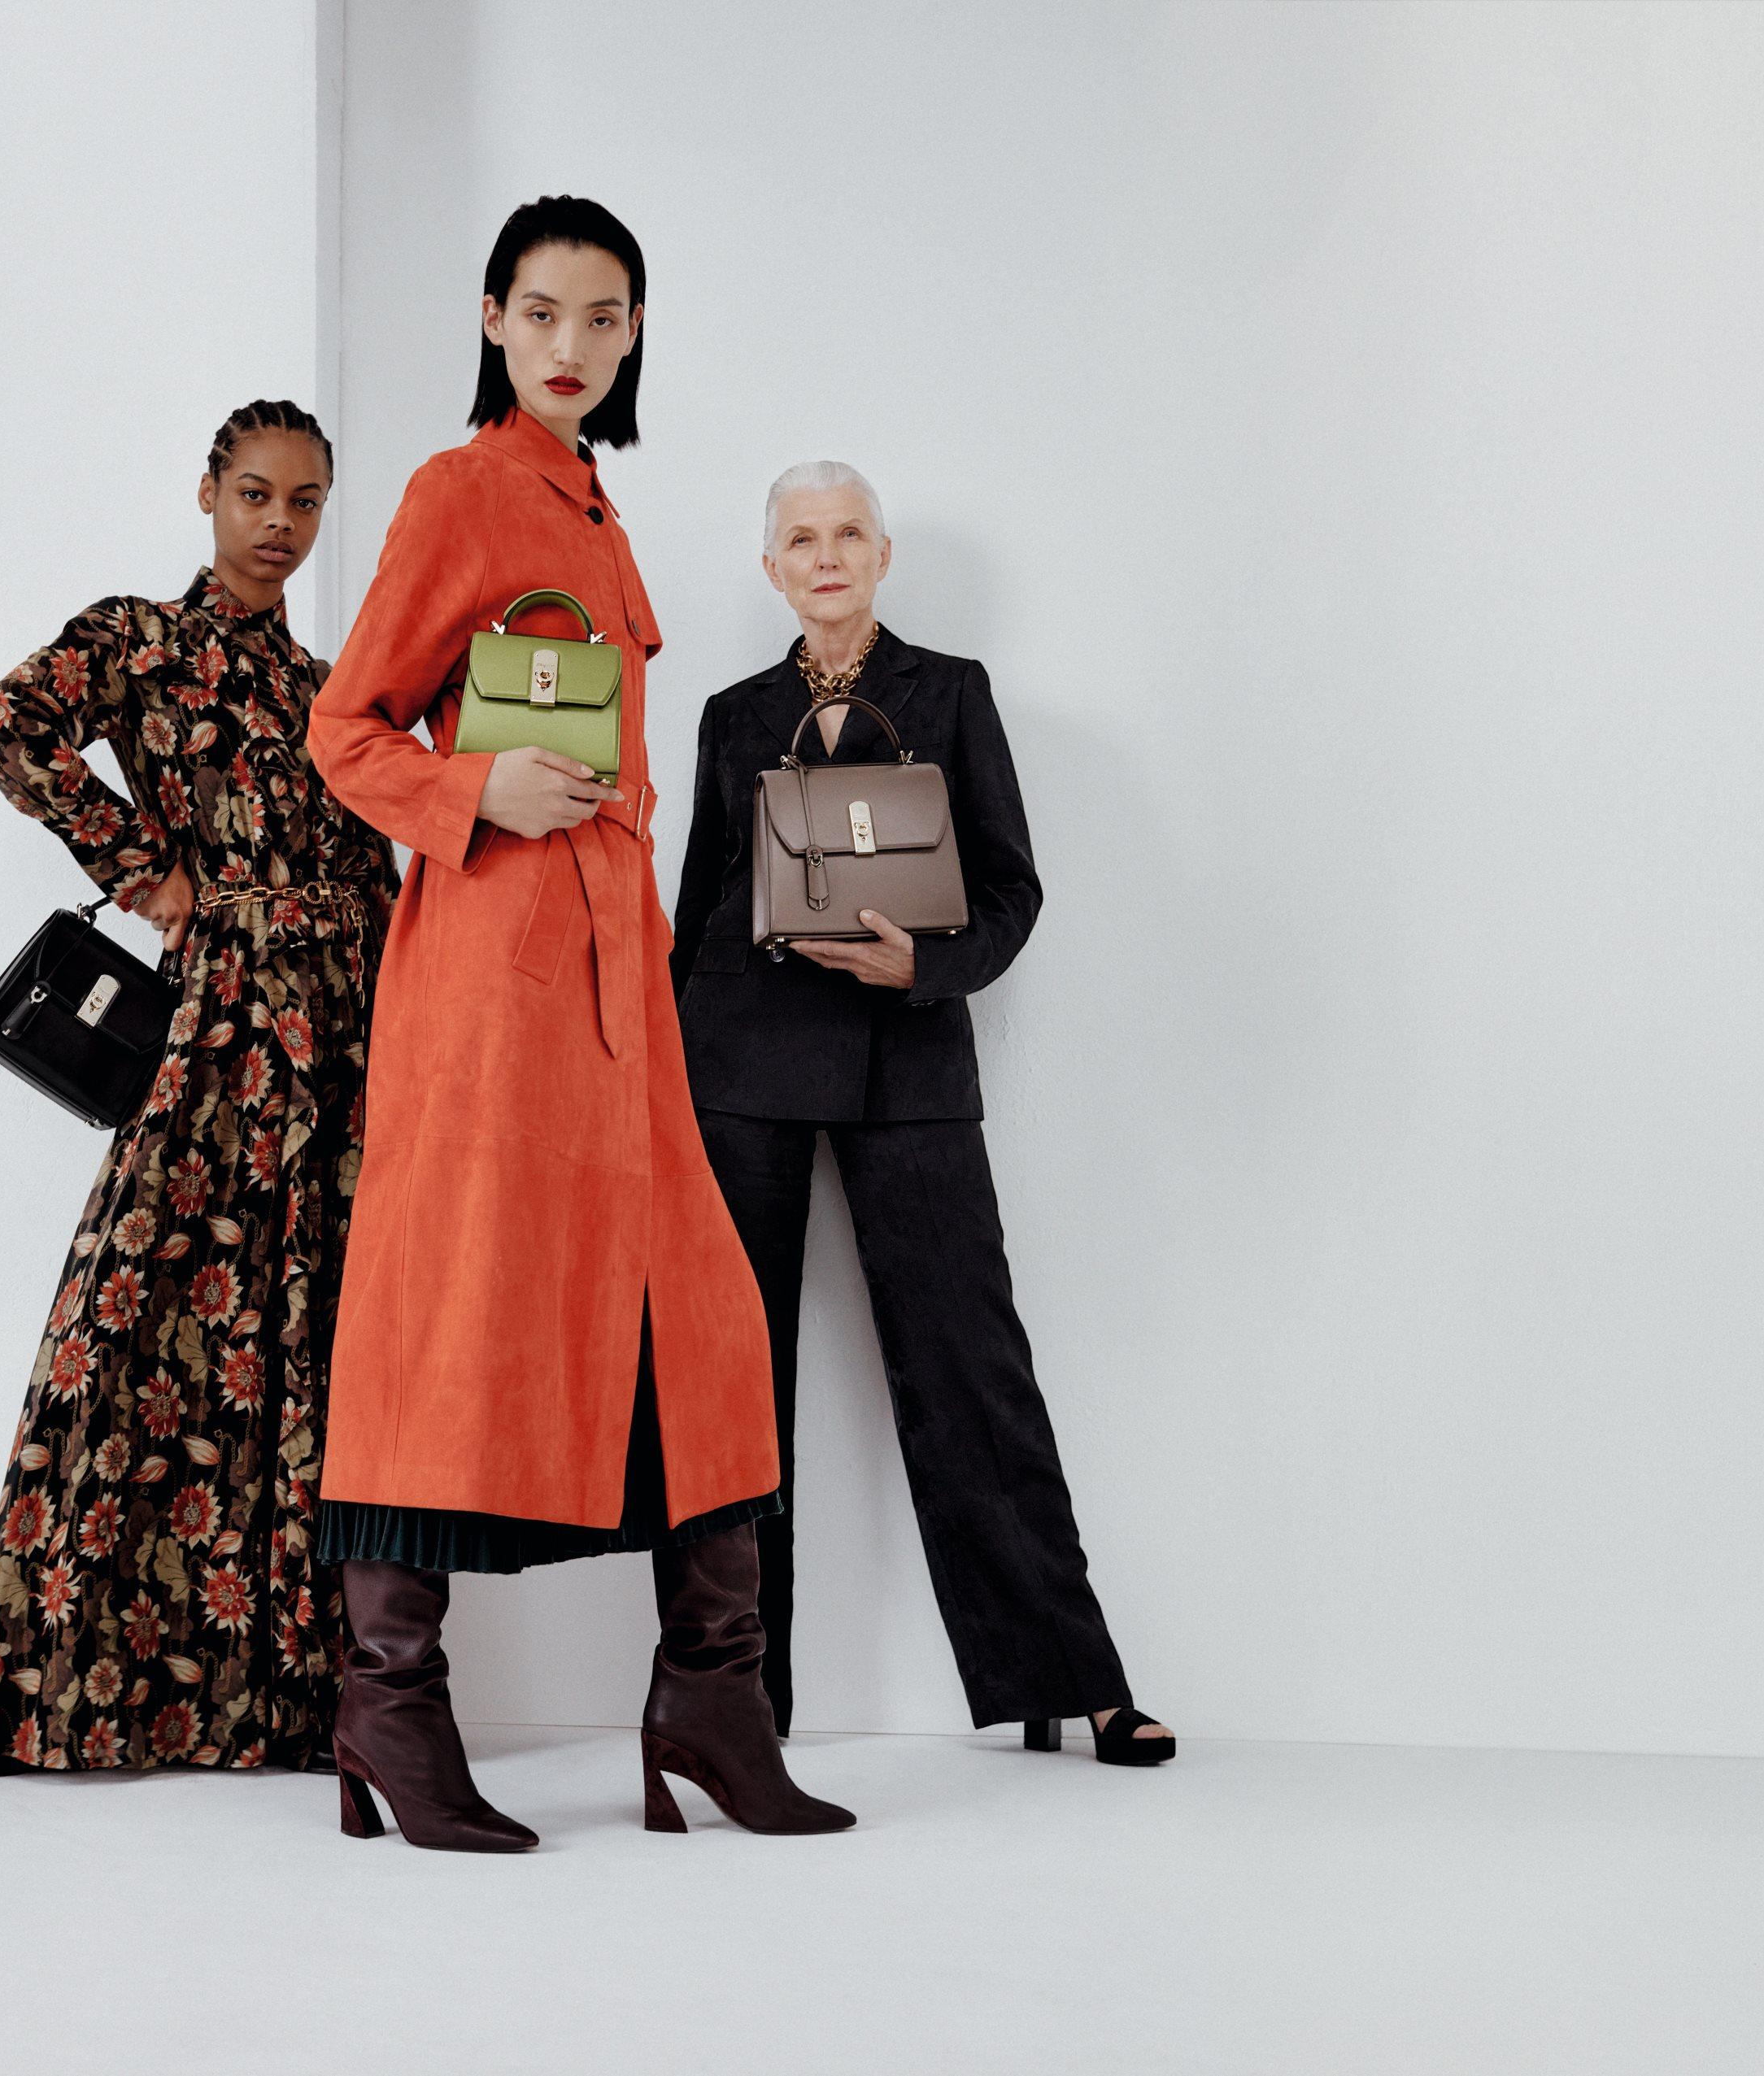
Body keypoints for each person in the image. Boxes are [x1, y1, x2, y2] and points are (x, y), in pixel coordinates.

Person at [303, 197, 852, 1848]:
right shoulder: (461, 489)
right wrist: (478, 790)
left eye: (602, 317)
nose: (570, 344)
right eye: (540, 311)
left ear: (633, 334)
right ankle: (390, 1708)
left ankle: (713, 1699)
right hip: (492, 982)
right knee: (451, 1320)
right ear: (492, 318)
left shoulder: (594, 508)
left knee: (705, 1322)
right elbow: (346, 730)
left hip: (623, 995)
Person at [665, 459, 1178, 1768]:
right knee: (734, 1385)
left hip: (907, 1064)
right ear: (771, 568)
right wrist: (661, 1086)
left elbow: (1012, 889)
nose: (826, 555)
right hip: (739, 1069)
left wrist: (925, 966)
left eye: (848, 533)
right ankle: (737, 1693)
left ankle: (1071, 1674)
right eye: (800, 538)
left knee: (971, 1364)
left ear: (883, 555)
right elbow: (697, 907)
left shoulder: (951, 692)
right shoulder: (732, 715)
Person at [0, 400, 394, 1776]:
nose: (279, 523)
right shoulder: (139, 640)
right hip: (220, 1020)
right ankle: (51, 1696)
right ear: (207, 493)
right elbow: (4, 726)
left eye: (305, 502)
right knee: (138, 1320)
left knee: (305, 1339)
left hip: (344, 1037)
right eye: (255, 493)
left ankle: (287, 1704)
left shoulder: (328, 687)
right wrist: (142, 868)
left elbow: (372, 864)